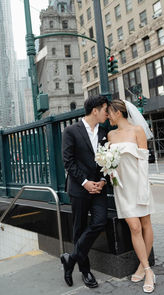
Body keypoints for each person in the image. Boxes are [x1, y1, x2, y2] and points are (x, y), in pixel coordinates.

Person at [107, 99, 156, 293]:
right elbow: (110, 162)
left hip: (139, 184)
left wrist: (143, 189)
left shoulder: (137, 131)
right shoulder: (110, 134)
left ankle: (145, 269)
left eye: (109, 112)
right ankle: (147, 267)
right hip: (122, 188)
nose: (107, 117)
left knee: (145, 224)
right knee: (134, 226)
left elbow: (143, 162)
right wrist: (110, 170)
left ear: (118, 112)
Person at [61, 95, 108, 288]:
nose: (107, 113)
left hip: (99, 188)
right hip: (79, 189)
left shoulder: (105, 131)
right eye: (105, 109)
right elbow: (68, 162)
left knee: (100, 221)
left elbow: (107, 160)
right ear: (95, 110)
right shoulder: (71, 131)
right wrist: (85, 182)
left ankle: (70, 259)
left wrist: (103, 180)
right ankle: (85, 271)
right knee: (79, 228)